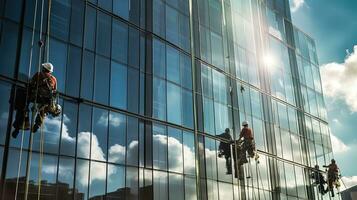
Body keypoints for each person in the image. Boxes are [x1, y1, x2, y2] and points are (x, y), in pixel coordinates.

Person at [11, 63, 61, 138]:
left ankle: (18, 127)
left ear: (44, 68)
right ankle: (37, 125)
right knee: (43, 111)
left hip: (36, 96)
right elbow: (54, 91)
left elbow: (31, 84)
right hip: (46, 99)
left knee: (23, 107)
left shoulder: (38, 74)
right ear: (50, 71)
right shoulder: (54, 79)